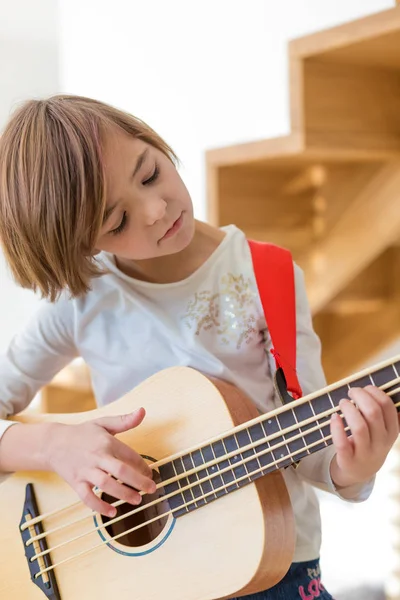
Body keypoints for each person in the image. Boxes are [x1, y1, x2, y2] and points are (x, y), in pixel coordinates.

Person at [0, 95, 397, 600]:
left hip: (276, 569)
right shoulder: (82, 303)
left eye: (150, 175)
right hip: (148, 583)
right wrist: (54, 445)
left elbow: (316, 452)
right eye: (117, 221)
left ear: (153, 141)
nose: (157, 209)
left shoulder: (265, 277)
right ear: (83, 245)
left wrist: (355, 465)